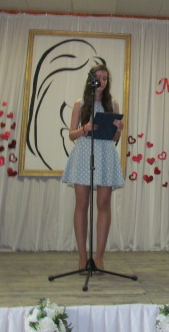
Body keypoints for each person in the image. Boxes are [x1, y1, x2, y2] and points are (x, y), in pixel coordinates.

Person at [63, 64, 125, 272]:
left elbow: (114, 138)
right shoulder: (80, 103)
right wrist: (85, 128)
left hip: (105, 154)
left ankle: (99, 257)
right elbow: (71, 135)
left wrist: (118, 129)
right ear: (91, 79)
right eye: (98, 77)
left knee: (104, 204)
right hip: (84, 154)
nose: (102, 81)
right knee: (82, 204)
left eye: (105, 78)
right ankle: (82, 257)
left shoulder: (113, 104)